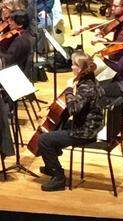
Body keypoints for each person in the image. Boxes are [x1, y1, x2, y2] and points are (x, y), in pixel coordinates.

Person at [34, 52, 105, 191]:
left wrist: (68, 91)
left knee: (43, 140)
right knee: (57, 126)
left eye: (74, 64)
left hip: (85, 131)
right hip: (91, 125)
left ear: (80, 68)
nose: (71, 66)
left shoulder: (86, 87)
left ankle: (59, 177)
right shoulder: (91, 81)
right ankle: (51, 165)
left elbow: (73, 110)